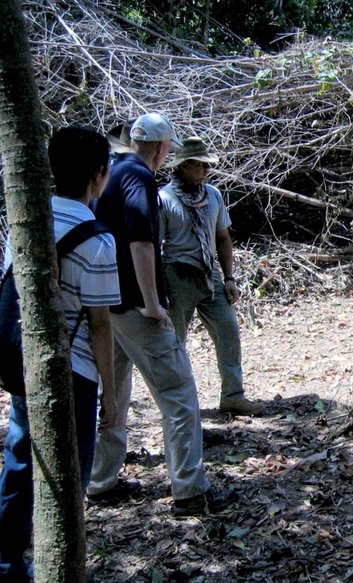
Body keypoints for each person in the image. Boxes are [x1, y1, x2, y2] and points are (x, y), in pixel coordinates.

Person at [88, 113, 237, 516]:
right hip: (135, 307)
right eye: (169, 148)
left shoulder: (114, 172)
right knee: (178, 393)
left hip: (109, 306)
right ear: (160, 148)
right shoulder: (138, 177)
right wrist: (153, 303)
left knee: (114, 390)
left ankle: (100, 482)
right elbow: (140, 238)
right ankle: (190, 490)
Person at [0, 126, 121, 582]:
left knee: (20, 463)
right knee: (71, 475)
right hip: (75, 371)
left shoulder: (27, 218)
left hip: (27, 359)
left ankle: (7, 564)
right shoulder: (98, 240)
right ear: (98, 175)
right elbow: (100, 325)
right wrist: (110, 394)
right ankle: (62, 565)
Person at [159, 137, 262, 416]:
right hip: (177, 273)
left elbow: (223, 237)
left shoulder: (213, 195)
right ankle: (177, 404)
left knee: (228, 330)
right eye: (200, 165)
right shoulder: (164, 199)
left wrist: (229, 277)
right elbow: (154, 248)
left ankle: (233, 395)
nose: (206, 169)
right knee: (174, 341)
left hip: (210, 273)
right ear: (183, 166)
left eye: (208, 164)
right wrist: (159, 290)